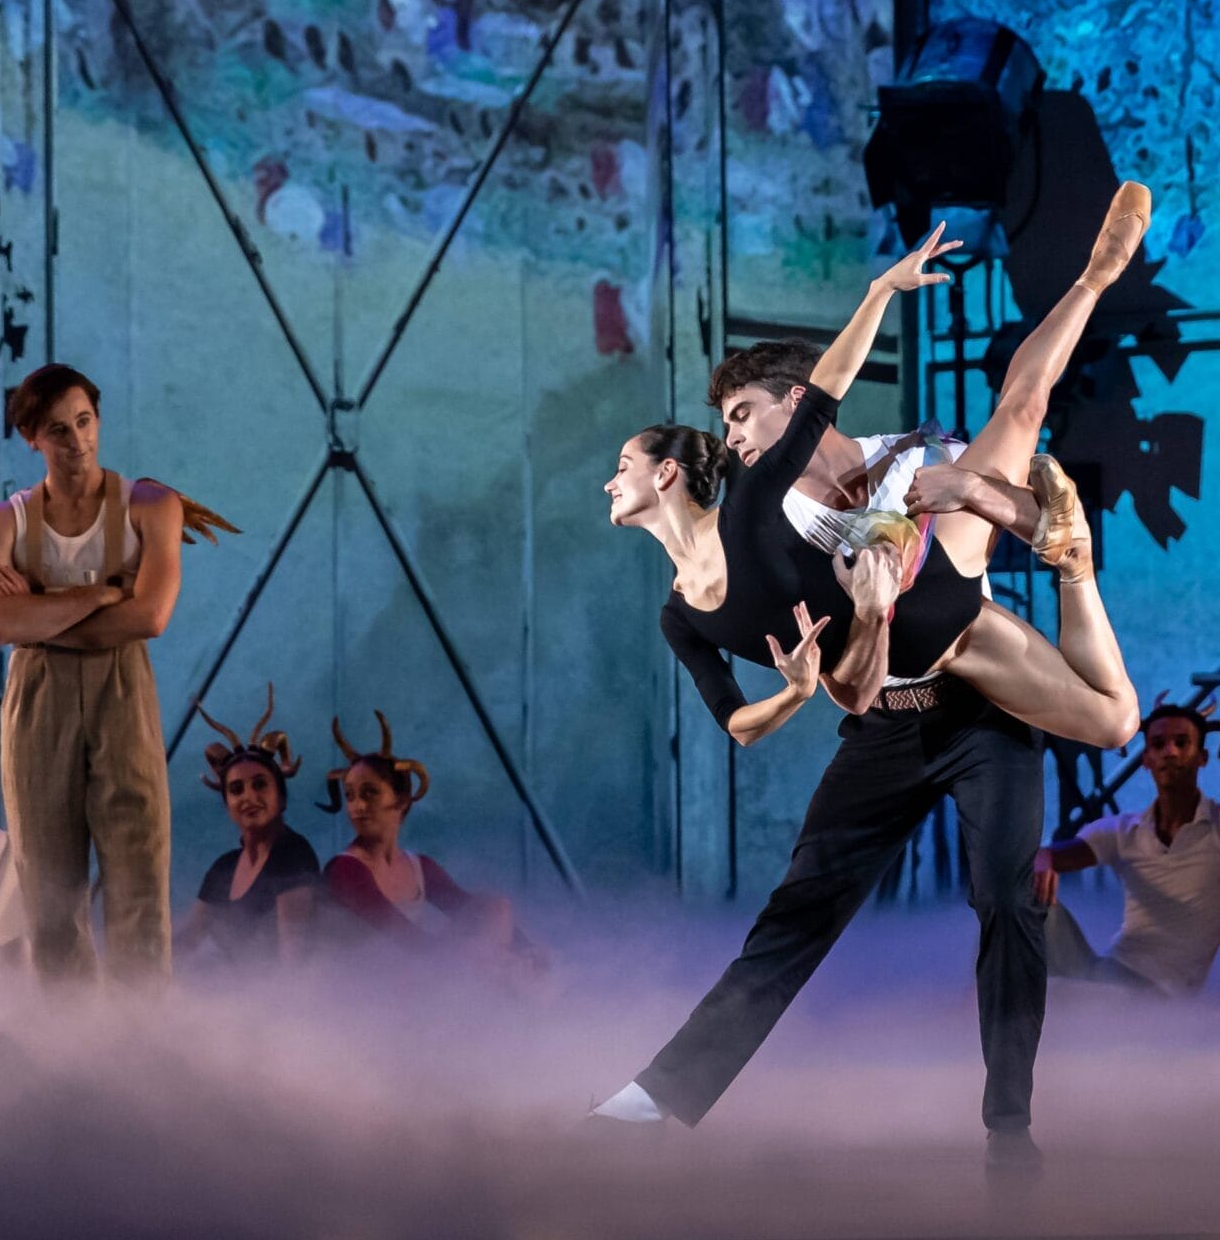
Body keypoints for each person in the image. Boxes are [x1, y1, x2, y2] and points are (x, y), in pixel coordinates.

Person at [592, 185, 1157, 1168]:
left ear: (793, 401)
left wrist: (973, 485)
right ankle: (656, 1100)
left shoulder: (905, 455)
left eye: (741, 415)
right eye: (721, 428)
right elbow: (783, 634)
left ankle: (1008, 1129)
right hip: (884, 716)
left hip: (975, 668)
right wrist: (807, 657)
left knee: (1008, 896)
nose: (731, 439)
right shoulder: (765, 515)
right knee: (799, 909)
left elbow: (1000, 405)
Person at [0, 363, 229, 983]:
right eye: (58, 430)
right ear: (32, 438)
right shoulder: (1, 522)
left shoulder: (151, 505)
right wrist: (97, 596)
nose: (77, 441)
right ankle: (69, 1044)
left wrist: (42, 608)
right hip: (38, 694)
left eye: (85, 422)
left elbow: (150, 617)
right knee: (48, 882)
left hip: (122, 685)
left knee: (139, 867)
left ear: (99, 419)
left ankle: (140, 1039)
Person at [1033, 698, 1220, 996]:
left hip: (1162, 992)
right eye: (1158, 745)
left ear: (1202, 756)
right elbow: (1052, 855)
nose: (1169, 751)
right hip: (1106, 974)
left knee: (1046, 996)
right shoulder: (1123, 831)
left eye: (1181, 743)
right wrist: (1043, 859)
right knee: (1019, 900)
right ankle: (974, 1015)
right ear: (1146, 759)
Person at [320, 712, 538, 977]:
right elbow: (401, 937)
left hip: (420, 975)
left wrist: (527, 953)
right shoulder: (345, 870)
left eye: (369, 793)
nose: (357, 807)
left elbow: (469, 909)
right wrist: (482, 964)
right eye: (350, 796)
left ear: (401, 800)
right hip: (368, 987)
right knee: (496, 965)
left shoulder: (419, 866)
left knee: (495, 908)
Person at [183, 686, 320, 967]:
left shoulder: (293, 854)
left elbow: (292, 957)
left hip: (278, 1003)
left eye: (260, 784)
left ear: (281, 798)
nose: (248, 798)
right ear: (226, 803)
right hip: (235, 997)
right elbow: (188, 939)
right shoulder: (224, 868)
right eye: (236, 789)